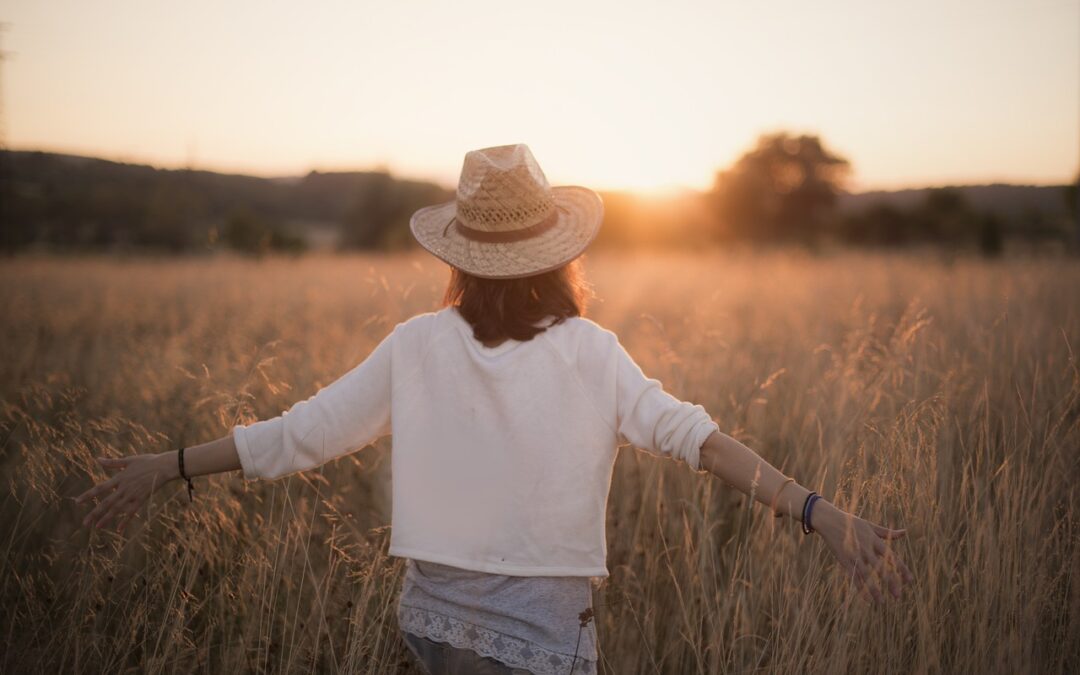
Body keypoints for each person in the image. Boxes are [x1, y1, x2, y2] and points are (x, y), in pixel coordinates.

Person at [75, 144, 914, 674]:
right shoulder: (593, 351)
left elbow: (301, 435)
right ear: (557, 254)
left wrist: (169, 464)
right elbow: (704, 444)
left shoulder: (415, 342)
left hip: (434, 626)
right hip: (544, 640)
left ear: (464, 258)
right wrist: (819, 512)